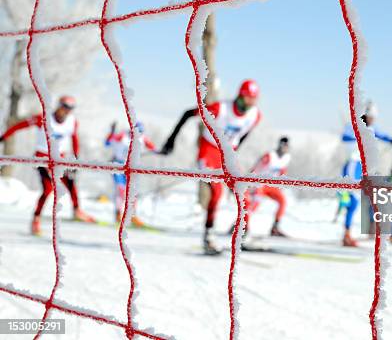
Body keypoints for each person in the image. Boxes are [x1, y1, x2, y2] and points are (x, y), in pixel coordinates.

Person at [160, 80, 261, 255]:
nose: (251, 103)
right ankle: (208, 237)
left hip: (227, 155)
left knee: (243, 193)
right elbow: (187, 114)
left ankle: (243, 235)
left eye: (254, 99)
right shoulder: (220, 108)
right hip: (208, 150)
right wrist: (171, 141)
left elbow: (244, 134)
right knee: (217, 192)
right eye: (248, 98)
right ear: (241, 95)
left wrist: (234, 150)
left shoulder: (255, 116)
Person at [0, 96, 96, 235]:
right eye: (64, 106)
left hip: (59, 159)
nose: (66, 111)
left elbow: (74, 139)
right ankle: (35, 220)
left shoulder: (72, 122)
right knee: (48, 188)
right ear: (59, 105)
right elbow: (19, 126)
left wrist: (75, 159)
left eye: (70, 108)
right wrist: (3, 137)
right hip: (42, 158)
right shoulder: (43, 118)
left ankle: (77, 211)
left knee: (70, 182)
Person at [338, 101, 392, 247]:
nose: (371, 120)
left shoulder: (371, 127)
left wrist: (391, 140)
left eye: (373, 118)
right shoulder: (354, 125)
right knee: (353, 201)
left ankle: (373, 227)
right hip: (352, 165)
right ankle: (346, 234)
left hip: (363, 166)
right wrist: (360, 138)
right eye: (369, 117)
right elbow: (344, 138)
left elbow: (381, 134)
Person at [104, 121, 157, 226]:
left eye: (140, 132)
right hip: (118, 166)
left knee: (132, 191)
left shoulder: (142, 139)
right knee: (121, 190)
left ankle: (132, 215)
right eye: (136, 132)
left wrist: (164, 151)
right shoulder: (122, 136)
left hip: (131, 167)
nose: (138, 135)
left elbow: (154, 149)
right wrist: (111, 132)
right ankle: (118, 214)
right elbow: (107, 143)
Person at [236, 137, 291, 238]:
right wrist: (251, 182)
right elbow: (256, 168)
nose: (284, 148)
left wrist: (281, 184)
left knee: (282, 201)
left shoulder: (286, 158)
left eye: (286, 146)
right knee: (255, 204)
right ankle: (242, 224)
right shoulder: (269, 156)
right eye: (283, 145)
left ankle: (275, 227)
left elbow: (282, 171)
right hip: (260, 184)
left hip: (271, 185)